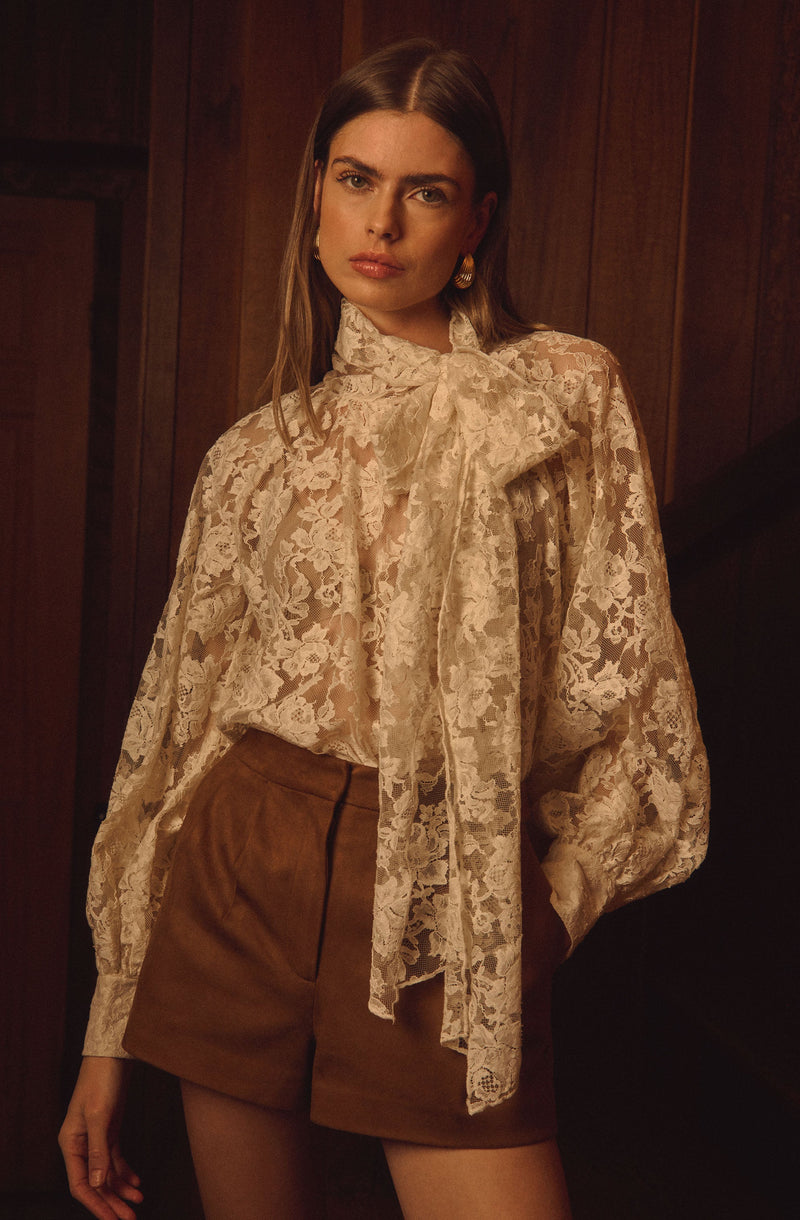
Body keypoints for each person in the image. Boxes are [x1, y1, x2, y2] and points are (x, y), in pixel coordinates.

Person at [58, 38, 709, 1220]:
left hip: (448, 891)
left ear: (478, 221)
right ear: (315, 195)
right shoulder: (253, 455)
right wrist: (107, 1035)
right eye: (356, 178)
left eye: (426, 190)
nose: (383, 220)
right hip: (240, 873)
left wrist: (548, 910)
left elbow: (635, 707)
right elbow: (171, 740)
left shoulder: (563, 397)